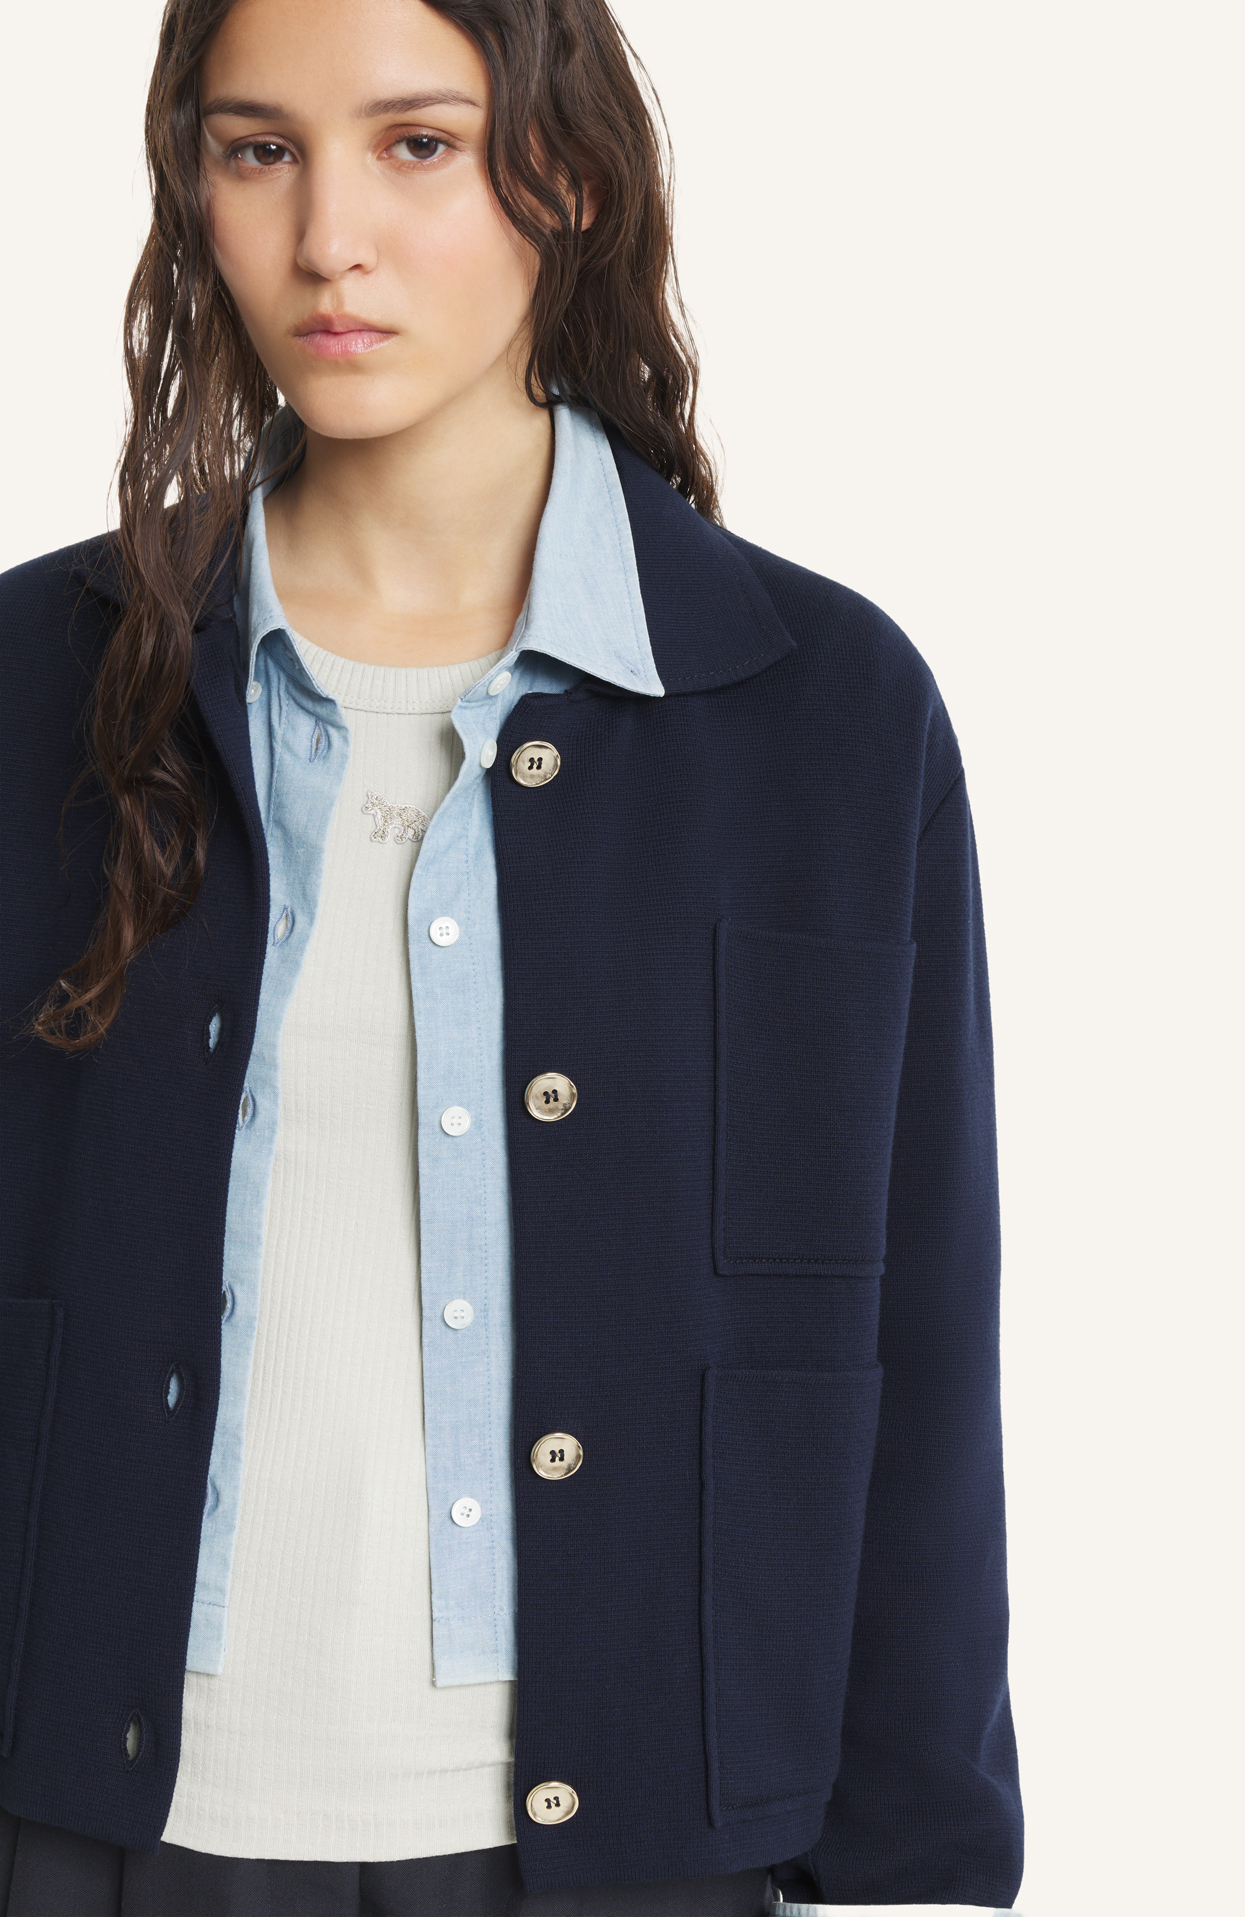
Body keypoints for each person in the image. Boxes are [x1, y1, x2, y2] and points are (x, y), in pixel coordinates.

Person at [0, 0, 1022, 1910]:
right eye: (257, 150)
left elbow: (912, 1318)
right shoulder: (36, 675)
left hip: (641, 1830)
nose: (328, 240)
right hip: (96, 1817)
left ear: (567, 173)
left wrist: (910, 1860)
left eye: (418, 145)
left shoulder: (822, 715)